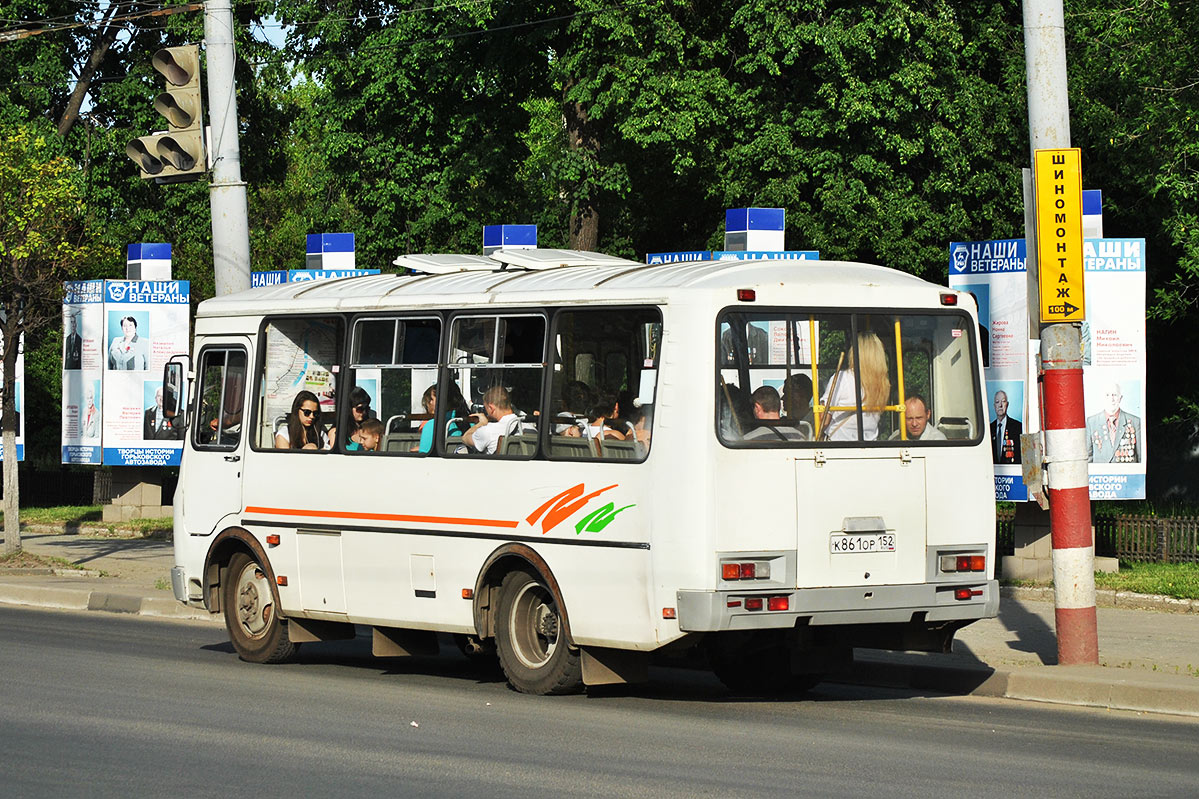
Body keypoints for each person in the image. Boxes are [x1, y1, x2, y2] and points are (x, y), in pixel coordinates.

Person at [820, 332, 890, 441]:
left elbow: (823, 421)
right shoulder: (883, 383)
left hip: (838, 446)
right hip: (870, 446)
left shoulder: (842, 378)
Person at [1086, 382, 1141, 463]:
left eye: (1114, 395)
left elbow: (1141, 458)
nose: (1111, 399)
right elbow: (1088, 458)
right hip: (1101, 475)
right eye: (1107, 395)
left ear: (1120, 398)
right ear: (1103, 398)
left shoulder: (1135, 422)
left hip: (1127, 474)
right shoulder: (1091, 422)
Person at [463, 384, 520, 455]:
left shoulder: (487, 431)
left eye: (486, 408)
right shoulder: (530, 428)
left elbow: (465, 438)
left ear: (491, 408)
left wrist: (481, 423)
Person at [417, 382, 470, 453]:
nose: (429, 403)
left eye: (431, 399)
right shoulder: (471, 424)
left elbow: (424, 456)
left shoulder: (432, 425)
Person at [990, 390, 1021, 464]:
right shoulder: (989, 428)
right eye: (997, 402)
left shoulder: (1017, 427)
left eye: (1003, 401)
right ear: (994, 406)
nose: (1000, 405)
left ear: (1007, 404)